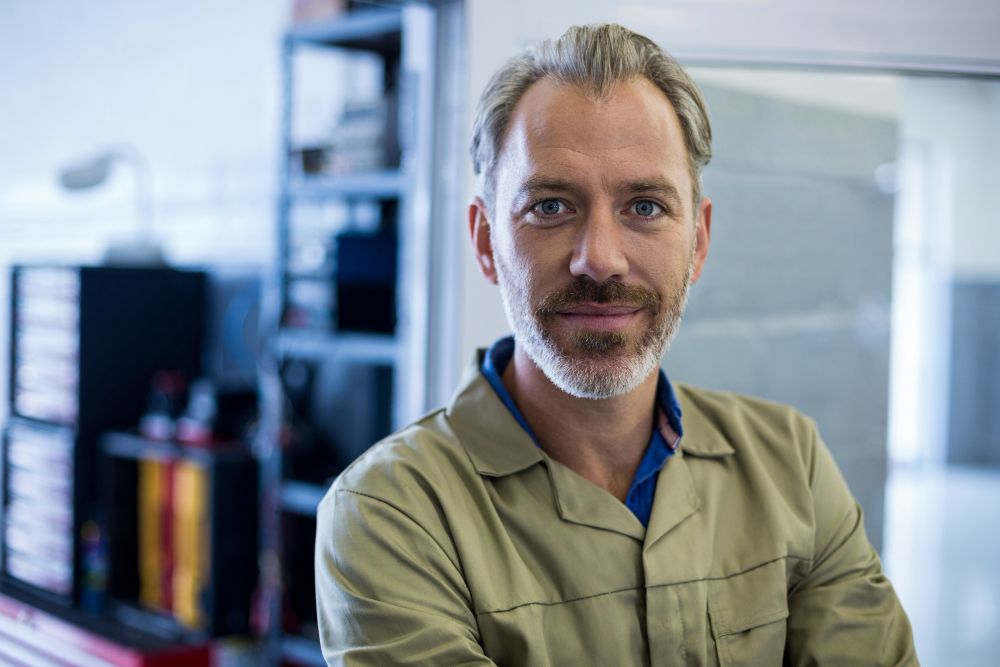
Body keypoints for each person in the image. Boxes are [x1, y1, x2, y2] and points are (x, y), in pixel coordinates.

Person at [315, 23, 917, 666]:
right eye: (550, 206)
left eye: (645, 207)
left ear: (698, 242)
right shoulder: (393, 515)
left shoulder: (790, 463)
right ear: (487, 242)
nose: (600, 259)